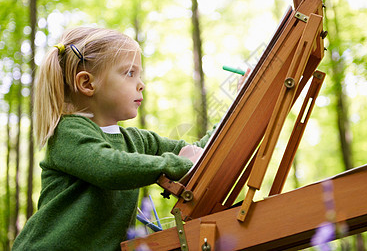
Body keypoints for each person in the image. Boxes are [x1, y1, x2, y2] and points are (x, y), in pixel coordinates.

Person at [12, 27, 215, 250]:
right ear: (87, 84)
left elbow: (198, 152)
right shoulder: (68, 131)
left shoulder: (137, 140)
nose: (141, 84)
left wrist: (240, 102)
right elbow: (110, 167)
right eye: (130, 73)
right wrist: (174, 164)